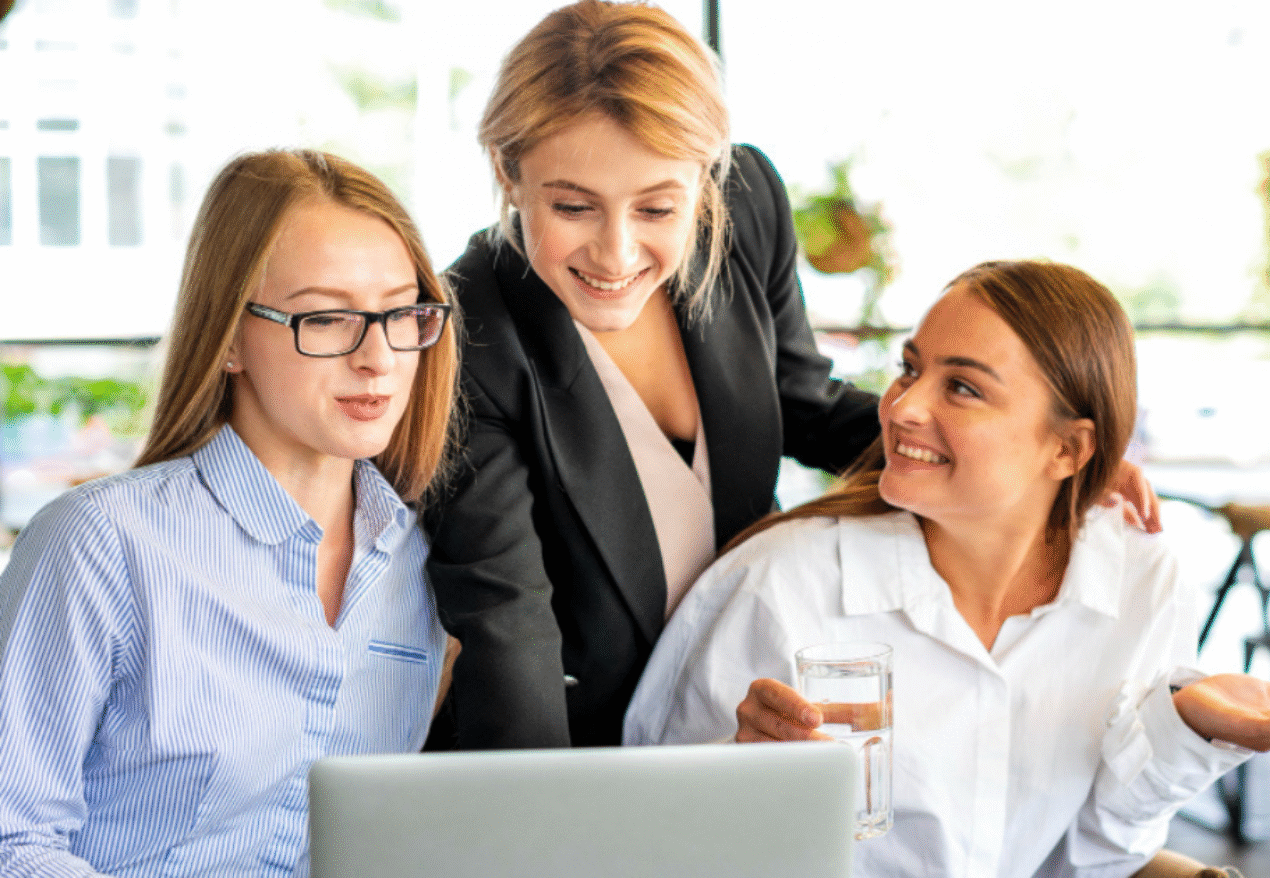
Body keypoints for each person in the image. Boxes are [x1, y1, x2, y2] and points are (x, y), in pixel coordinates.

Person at [425, 0, 1160, 750]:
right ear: (507, 173)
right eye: (574, 207)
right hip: (590, 743)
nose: (616, 254)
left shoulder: (747, 207)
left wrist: (1036, 470)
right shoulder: (467, 341)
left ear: (706, 181)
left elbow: (803, 401)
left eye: (657, 208)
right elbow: (507, 627)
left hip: (747, 697)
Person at [624, 260, 1270, 877]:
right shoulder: (781, 582)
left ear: (1068, 449)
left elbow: (1098, 858)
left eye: (962, 387)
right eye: (911, 368)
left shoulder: (1143, 582)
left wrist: (1185, 730)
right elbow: (644, 834)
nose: (900, 406)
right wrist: (740, 778)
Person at [0, 149, 460, 877]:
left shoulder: (426, 568)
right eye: (327, 317)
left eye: (402, 312)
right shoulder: (101, 543)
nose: (378, 357)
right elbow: (11, 842)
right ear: (230, 339)